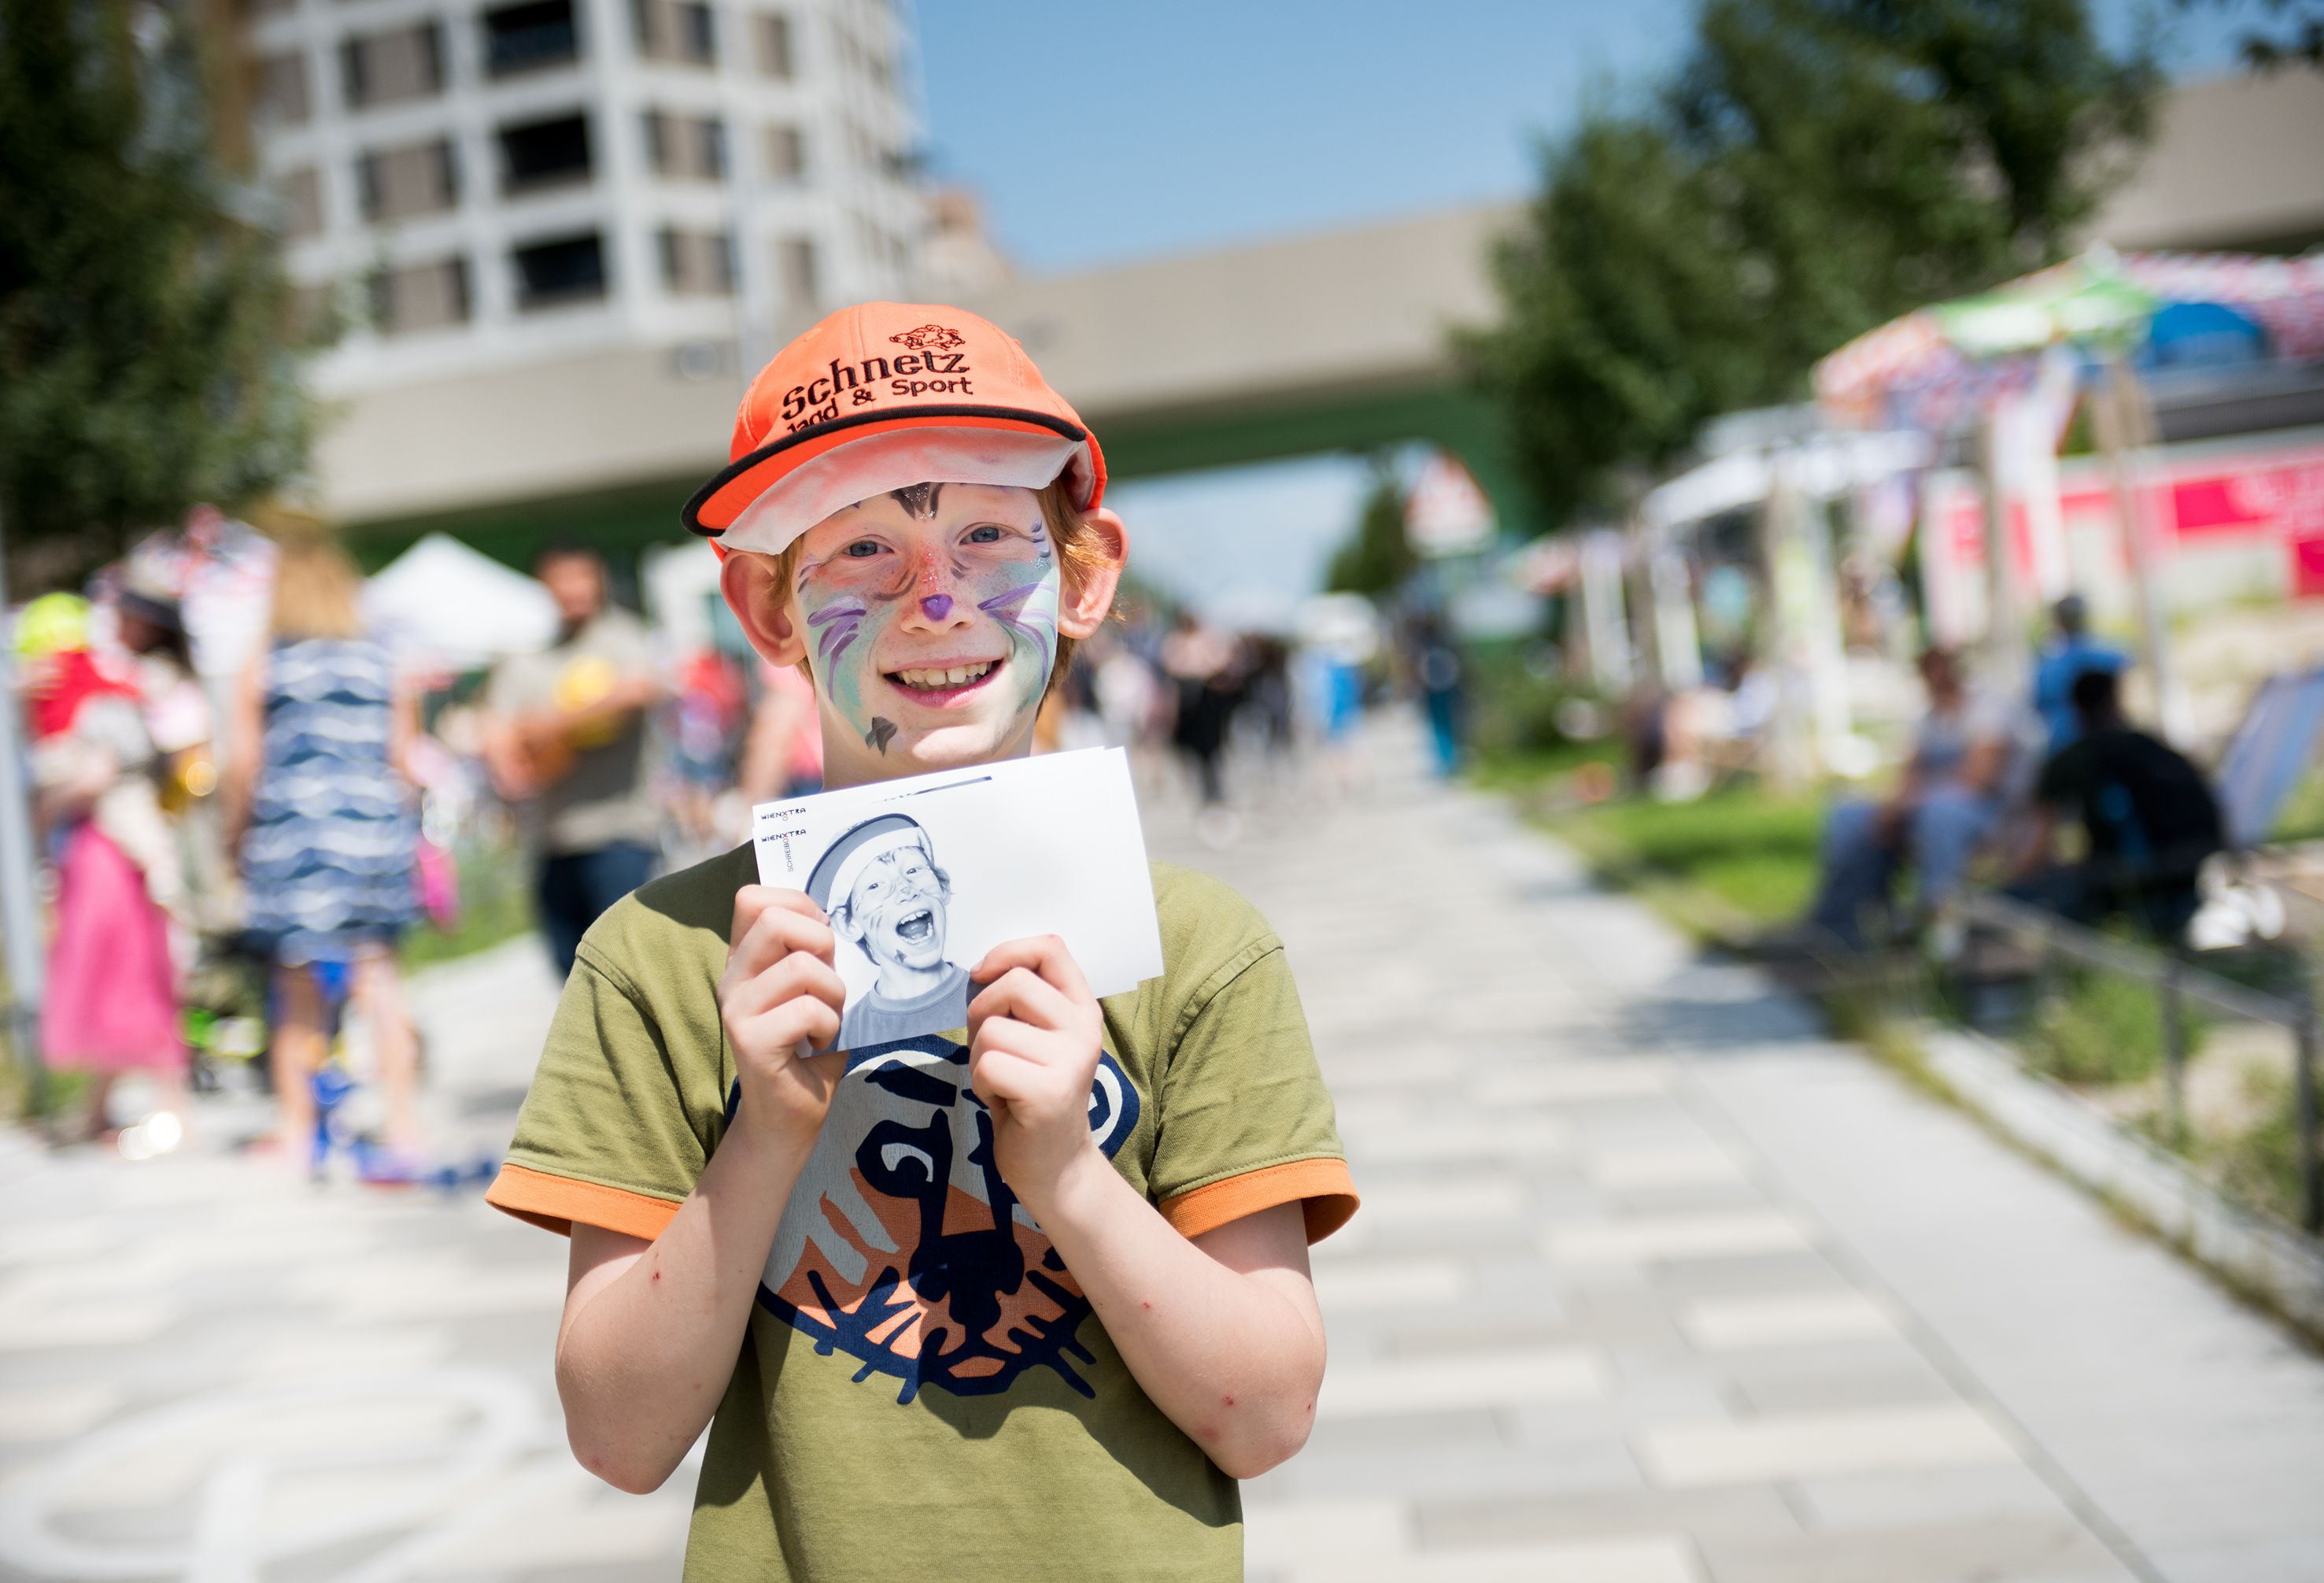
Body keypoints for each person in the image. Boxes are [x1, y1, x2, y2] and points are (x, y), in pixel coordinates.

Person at [485, 301, 1357, 1582]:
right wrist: (763, 1133)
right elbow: (618, 1436)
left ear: (1084, 576)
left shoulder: (1199, 947)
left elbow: (1266, 1411)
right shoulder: (660, 958)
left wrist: (1067, 1169)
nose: (935, 601)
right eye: (861, 549)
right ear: (766, 607)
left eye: (989, 535)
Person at [223, 535, 424, 1164]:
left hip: (296, 839)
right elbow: (405, 760)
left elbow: (243, 764)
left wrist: (234, 837)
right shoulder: (381, 659)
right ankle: (402, 1124)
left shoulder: (267, 661)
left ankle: (295, 1126)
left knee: (296, 986)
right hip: (373, 835)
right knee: (379, 981)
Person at [20, 594, 188, 1145]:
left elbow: (94, 777)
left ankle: (168, 1110)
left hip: (106, 854)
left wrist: (43, 810)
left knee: (122, 974)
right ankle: (105, 1109)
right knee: (122, 976)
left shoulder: (90, 699)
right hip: (108, 853)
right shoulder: (105, 689)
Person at [482, 542, 663, 978]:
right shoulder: (530, 657)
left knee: (630, 967)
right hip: (554, 841)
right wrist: (509, 763)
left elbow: (638, 689)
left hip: (620, 833)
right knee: (573, 974)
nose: (573, 589)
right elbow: (498, 727)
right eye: (561, 579)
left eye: (581, 576)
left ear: (598, 580)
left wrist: (552, 725)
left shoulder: (621, 637)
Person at [1808, 647, 2027, 949]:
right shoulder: (1929, 720)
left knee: (1941, 815)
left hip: (1993, 815)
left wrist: (1914, 799)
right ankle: (1840, 922)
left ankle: (1938, 920)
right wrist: (1893, 809)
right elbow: (1910, 774)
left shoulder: (1989, 711)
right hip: (1928, 806)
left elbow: (1980, 778)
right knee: (1850, 817)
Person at [2012, 668, 2222, 940]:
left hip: (2132, 876)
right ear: (2115, 700)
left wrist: (2012, 881)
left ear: (2076, 708)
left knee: (2039, 894)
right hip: (2190, 866)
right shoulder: (2150, 747)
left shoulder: (2074, 758)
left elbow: (2038, 843)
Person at [809, 813, 970, 1048]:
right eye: (875, 885)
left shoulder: (993, 996)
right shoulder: (842, 1039)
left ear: (942, 887)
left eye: (913, 870)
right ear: (848, 925)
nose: (905, 889)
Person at [2031, 594, 2126, 753]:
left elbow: (2039, 706)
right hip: (2083, 742)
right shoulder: (2107, 656)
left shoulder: (2049, 665)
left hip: (2075, 743)